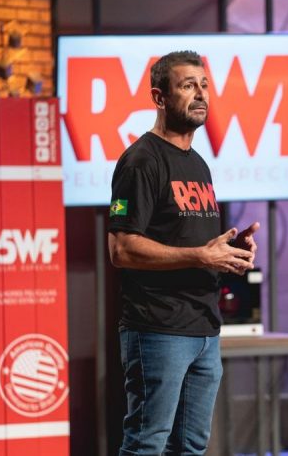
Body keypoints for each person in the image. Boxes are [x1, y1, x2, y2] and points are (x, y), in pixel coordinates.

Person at [108, 50, 259, 456]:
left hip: (204, 331)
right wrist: (200, 256)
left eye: (204, 85)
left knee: (191, 446)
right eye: (188, 85)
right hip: (157, 329)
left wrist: (231, 253)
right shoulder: (142, 161)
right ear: (159, 97)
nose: (200, 94)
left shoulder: (198, 165)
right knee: (146, 443)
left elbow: (196, 245)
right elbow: (122, 249)